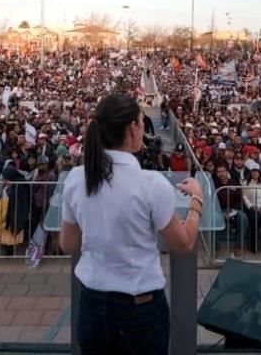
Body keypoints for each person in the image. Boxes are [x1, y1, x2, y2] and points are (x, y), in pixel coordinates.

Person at [60, 93, 203, 355]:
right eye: (141, 121)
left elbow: (68, 243)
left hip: (92, 304)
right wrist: (197, 199)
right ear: (133, 128)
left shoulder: (76, 178)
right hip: (140, 309)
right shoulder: (151, 184)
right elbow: (183, 244)